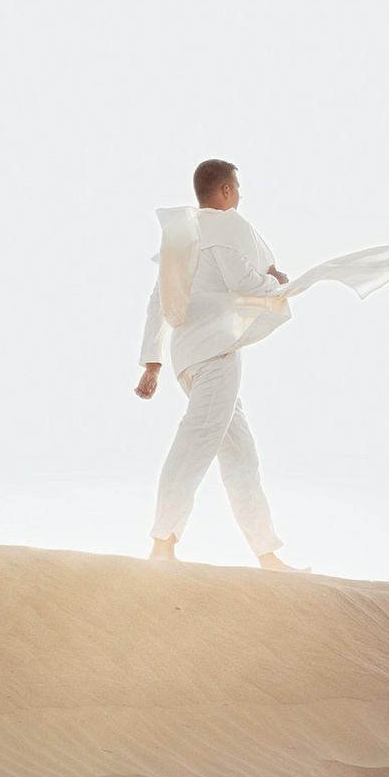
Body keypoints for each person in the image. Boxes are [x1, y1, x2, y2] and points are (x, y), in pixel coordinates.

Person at [136, 159, 300, 569]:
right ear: (225, 191)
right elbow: (243, 282)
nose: (240, 197)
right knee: (195, 444)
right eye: (238, 189)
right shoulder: (225, 225)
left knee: (240, 454)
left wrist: (153, 363)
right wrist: (278, 284)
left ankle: (267, 554)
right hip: (215, 354)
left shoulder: (181, 236)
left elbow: (158, 301)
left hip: (188, 357)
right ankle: (163, 541)